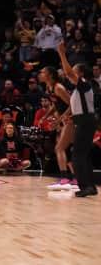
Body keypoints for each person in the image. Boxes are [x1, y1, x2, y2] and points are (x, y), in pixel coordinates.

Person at [57, 42, 97, 197]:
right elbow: (81, 107)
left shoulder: (84, 84)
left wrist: (61, 53)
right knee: (83, 154)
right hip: (84, 121)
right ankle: (90, 186)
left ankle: (85, 186)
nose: (70, 72)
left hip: (86, 122)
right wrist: (70, 116)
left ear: (80, 74)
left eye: (74, 70)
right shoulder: (79, 89)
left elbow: (68, 73)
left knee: (77, 154)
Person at [39, 66, 76, 190]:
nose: (40, 74)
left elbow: (73, 105)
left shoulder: (58, 88)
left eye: (43, 72)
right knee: (66, 150)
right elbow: (56, 105)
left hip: (71, 119)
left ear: (49, 75)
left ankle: (65, 179)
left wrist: (59, 120)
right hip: (65, 120)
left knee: (59, 148)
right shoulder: (49, 87)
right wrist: (45, 116)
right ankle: (75, 179)